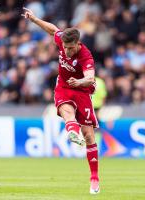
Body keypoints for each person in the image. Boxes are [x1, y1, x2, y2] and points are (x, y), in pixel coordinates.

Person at [22, 7, 100, 194]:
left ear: (78, 43)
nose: (67, 50)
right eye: (65, 47)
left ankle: (94, 178)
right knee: (66, 110)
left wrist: (79, 81)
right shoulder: (63, 41)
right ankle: (71, 129)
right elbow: (52, 29)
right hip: (64, 87)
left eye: (71, 48)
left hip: (82, 90)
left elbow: (90, 78)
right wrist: (34, 19)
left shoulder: (85, 55)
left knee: (89, 135)